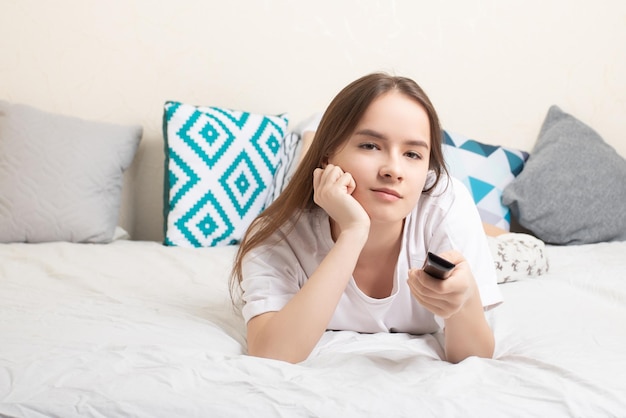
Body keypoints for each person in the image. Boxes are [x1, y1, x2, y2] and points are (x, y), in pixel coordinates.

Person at [231, 72, 503, 364]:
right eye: (370, 146)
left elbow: (473, 357)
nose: (393, 170)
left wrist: (465, 300)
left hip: (499, 254)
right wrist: (354, 232)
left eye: (412, 154)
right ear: (326, 157)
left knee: (519, 254)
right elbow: (272, 353)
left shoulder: (445, 204)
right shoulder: (279, 235)